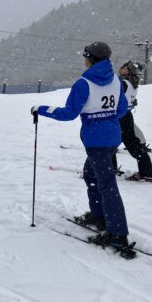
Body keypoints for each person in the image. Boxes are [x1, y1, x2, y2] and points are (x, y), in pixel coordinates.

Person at [31, 41, 130, 249]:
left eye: (85, 57)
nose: (84, 60)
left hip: (95, 141)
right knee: (91, 174)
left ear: (90, 59)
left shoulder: (83, 83)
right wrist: (107, 120)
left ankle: (117, 233)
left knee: (107, 184)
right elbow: (122, 109)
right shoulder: (116, 80)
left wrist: (41, 109)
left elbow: (69, 114)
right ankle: (98, 216)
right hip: (111, 137)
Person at [113, 61, 152, 181]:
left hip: (120, 117)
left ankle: (146, 173)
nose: (121, 67)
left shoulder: (122, 83)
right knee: (114, 143)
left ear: (129, 71)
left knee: (130, 145)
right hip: (126, 116)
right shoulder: (132, 83)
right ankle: (110, 168)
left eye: (124, 67)